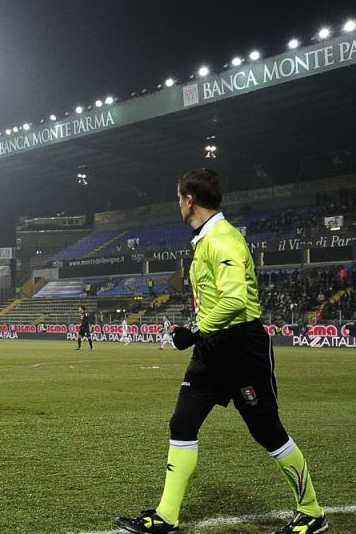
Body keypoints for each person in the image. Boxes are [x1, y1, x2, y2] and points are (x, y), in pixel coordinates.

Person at [116, 169, 327, 534]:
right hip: (212, 351)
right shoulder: (206, 239)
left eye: (178, 198)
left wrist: (193, 330)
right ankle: (166, 515)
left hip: (241, 349)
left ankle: (311, 511)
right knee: (182, 422)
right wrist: (197, 329)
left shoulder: (224, 240)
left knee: (267, 431)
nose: (178, 204)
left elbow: (234, 299)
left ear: (189, 199)